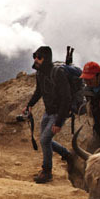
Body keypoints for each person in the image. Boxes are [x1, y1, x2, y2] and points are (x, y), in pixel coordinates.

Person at [24, 46, 72, 183]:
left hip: (58, 113)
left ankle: (47, 171)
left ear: (46, 59)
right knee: (44, 140)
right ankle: (66, 154)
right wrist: (29, 105)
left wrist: (59, 122)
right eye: (35, 56)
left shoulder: (58, 73)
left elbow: (66, 98)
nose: (36, 60)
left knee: (45, 140)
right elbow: (39, 91)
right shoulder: (40, 73)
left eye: (39, 57)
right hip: (48, 111)